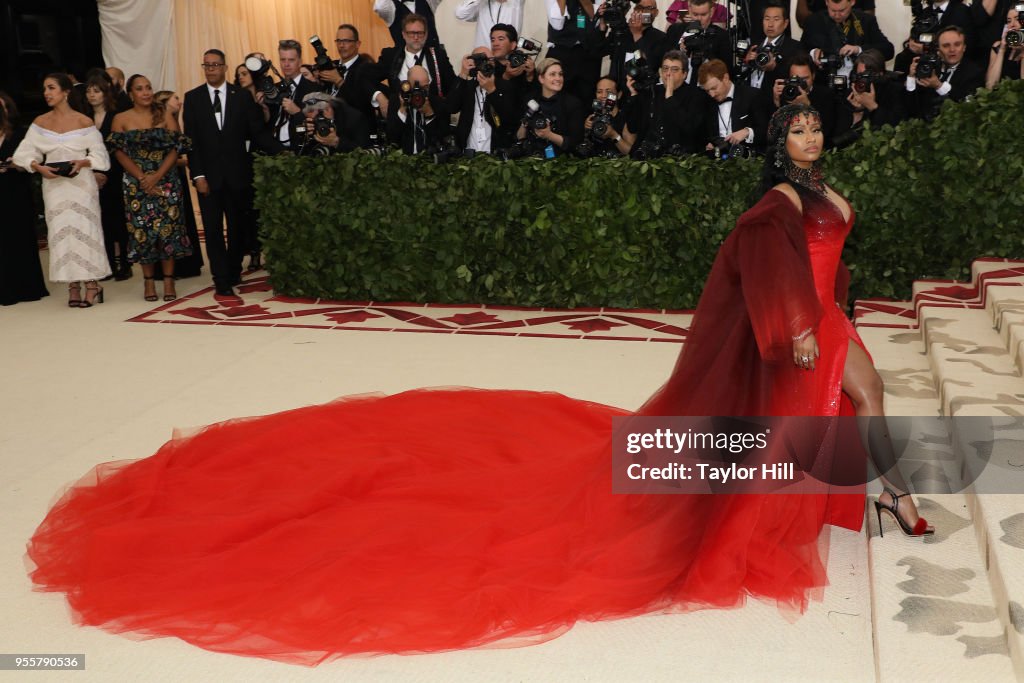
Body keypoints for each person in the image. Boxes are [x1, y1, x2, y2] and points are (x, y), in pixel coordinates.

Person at [24, 104, 933, 663]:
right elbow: (766, 270)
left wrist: (825, 313)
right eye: (798, 127)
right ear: (778, 141)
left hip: (833, 320)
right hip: (811, 331)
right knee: (845, 406)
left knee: (873, 395)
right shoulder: (774, 203)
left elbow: (829, 258)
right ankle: (888, 496)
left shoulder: (821, 191)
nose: (809, 134)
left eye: (816, 125)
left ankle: (886, 495)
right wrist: (796, 333)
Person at [183, 49, 283, 300]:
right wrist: (198, 176)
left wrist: (282, 152)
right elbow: (191, 143)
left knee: (238, 229)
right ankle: (221, 279)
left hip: (238, 176)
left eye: (216, 65)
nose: (211, 69)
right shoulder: (193, 98)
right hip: (208, 178)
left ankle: (233, 268)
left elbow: (257, 133)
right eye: (207, 65)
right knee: (213, 229)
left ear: (225, 68)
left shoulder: (240, 97)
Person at [12, 73, 111, 307]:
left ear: (66, 91)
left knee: (86, 231)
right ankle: (72, 285)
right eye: (44, 88)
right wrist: (38, 167)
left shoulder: (83, 121)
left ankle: (92, 285)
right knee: (62, 233)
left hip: (81, 185)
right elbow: (23, 154)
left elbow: (101, 156)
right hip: (54, 186)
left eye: (51, 88)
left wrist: (83, 162)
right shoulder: (40, 123)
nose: (46, 93)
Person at [107, 75, 192, 303]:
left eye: (148, 88)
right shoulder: (121, 118)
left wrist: (156, 176)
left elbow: (176, 148)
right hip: (136, 184)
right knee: (141, 232)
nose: (145, 92)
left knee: (168, 231)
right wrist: (142, 178)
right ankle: (147, 282)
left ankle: (168, 280)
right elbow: (118, 152)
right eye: (139, 89)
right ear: (131, 93)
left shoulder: (164, 114)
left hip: (166, 180)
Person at [0, 91, 49, 305]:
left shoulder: (20, 134)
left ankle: (26, 287)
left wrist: (15, 164)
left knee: (19, 237)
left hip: (15, 189)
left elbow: (32, 161)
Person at [85, 76, 132, 282]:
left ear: (106, 93)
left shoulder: (116, 115)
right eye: (89, 91)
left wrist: (106, 172)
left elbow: (121, 147)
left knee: (118, 218)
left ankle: (125, 263)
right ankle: (108, 264)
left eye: (96, 90)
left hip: (115, 172)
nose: (92, 94)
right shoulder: (84, 118)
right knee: (100, 219)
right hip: (91, 174)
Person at [154, 90, 204, 279]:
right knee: (171, 221)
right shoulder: (163, 122)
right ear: (165, 102)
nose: (179, 101)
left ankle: (186, 264)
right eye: (175, 98)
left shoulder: (176, 120)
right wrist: (186, 161)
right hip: (167, 177)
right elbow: (167, 156)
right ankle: (174, 267)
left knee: (182, 219)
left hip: (177, 176)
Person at [514, 57, 585, 156]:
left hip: (562, 162)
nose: (558, 78)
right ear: (541, 78)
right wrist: (524, 122)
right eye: (552, 74)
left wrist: (549, 135)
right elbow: (519, 137)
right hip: (531, 159)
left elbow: (575, 143)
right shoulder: (530, 100)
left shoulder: (573, 103)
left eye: (560, 74)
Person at [985, 4, 1024, 87]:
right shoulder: (998, 46)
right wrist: (1002, 50)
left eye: (1017, 19)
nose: (1012, 24)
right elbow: (990, 86)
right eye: (1009, 21)